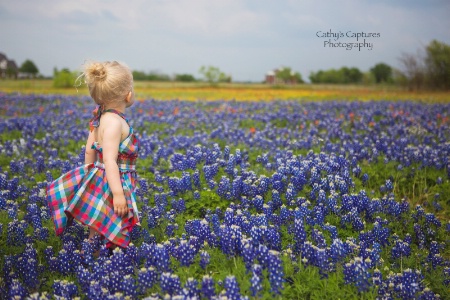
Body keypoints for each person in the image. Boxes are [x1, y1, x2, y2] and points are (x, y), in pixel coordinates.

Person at [46, 60, 140, 251]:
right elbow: (109, 160)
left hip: (98, 178)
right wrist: (118, 194)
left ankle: (91, 252)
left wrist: (87, 176)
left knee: (97, 222)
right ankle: (104, 258)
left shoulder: (98, 119)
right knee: (114, 221)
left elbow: (89, 150)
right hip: (114, 182)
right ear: (128, 95)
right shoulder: (114, 123)